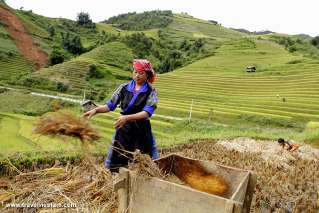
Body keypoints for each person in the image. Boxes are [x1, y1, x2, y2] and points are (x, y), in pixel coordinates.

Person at [83, 59, 158, 172]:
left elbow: (147, 112)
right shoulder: (123, 88)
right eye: (135, 72)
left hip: (141, 129)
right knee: (118, 157)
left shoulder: (151, 91)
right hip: (124, 129)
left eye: (141, 73)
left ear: (147, 75)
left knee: (144, 160)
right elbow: (110, 105)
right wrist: (96, 110)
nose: (137, 75)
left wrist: (126, 117)